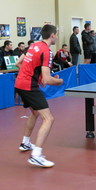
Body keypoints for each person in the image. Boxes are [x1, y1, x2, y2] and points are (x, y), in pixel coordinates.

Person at [15, 24, 63, 167]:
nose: (57, 37)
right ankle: (36, 155)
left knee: (35, 113)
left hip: (20, 83)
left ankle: (25, 143)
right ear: (52, 35)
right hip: (29, 86)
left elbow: (19, 63)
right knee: (48, 118)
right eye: (57, 34)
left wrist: (37, 78)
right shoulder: (47, 52)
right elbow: (48, 80)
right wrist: (59, 81)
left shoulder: (34, 46)